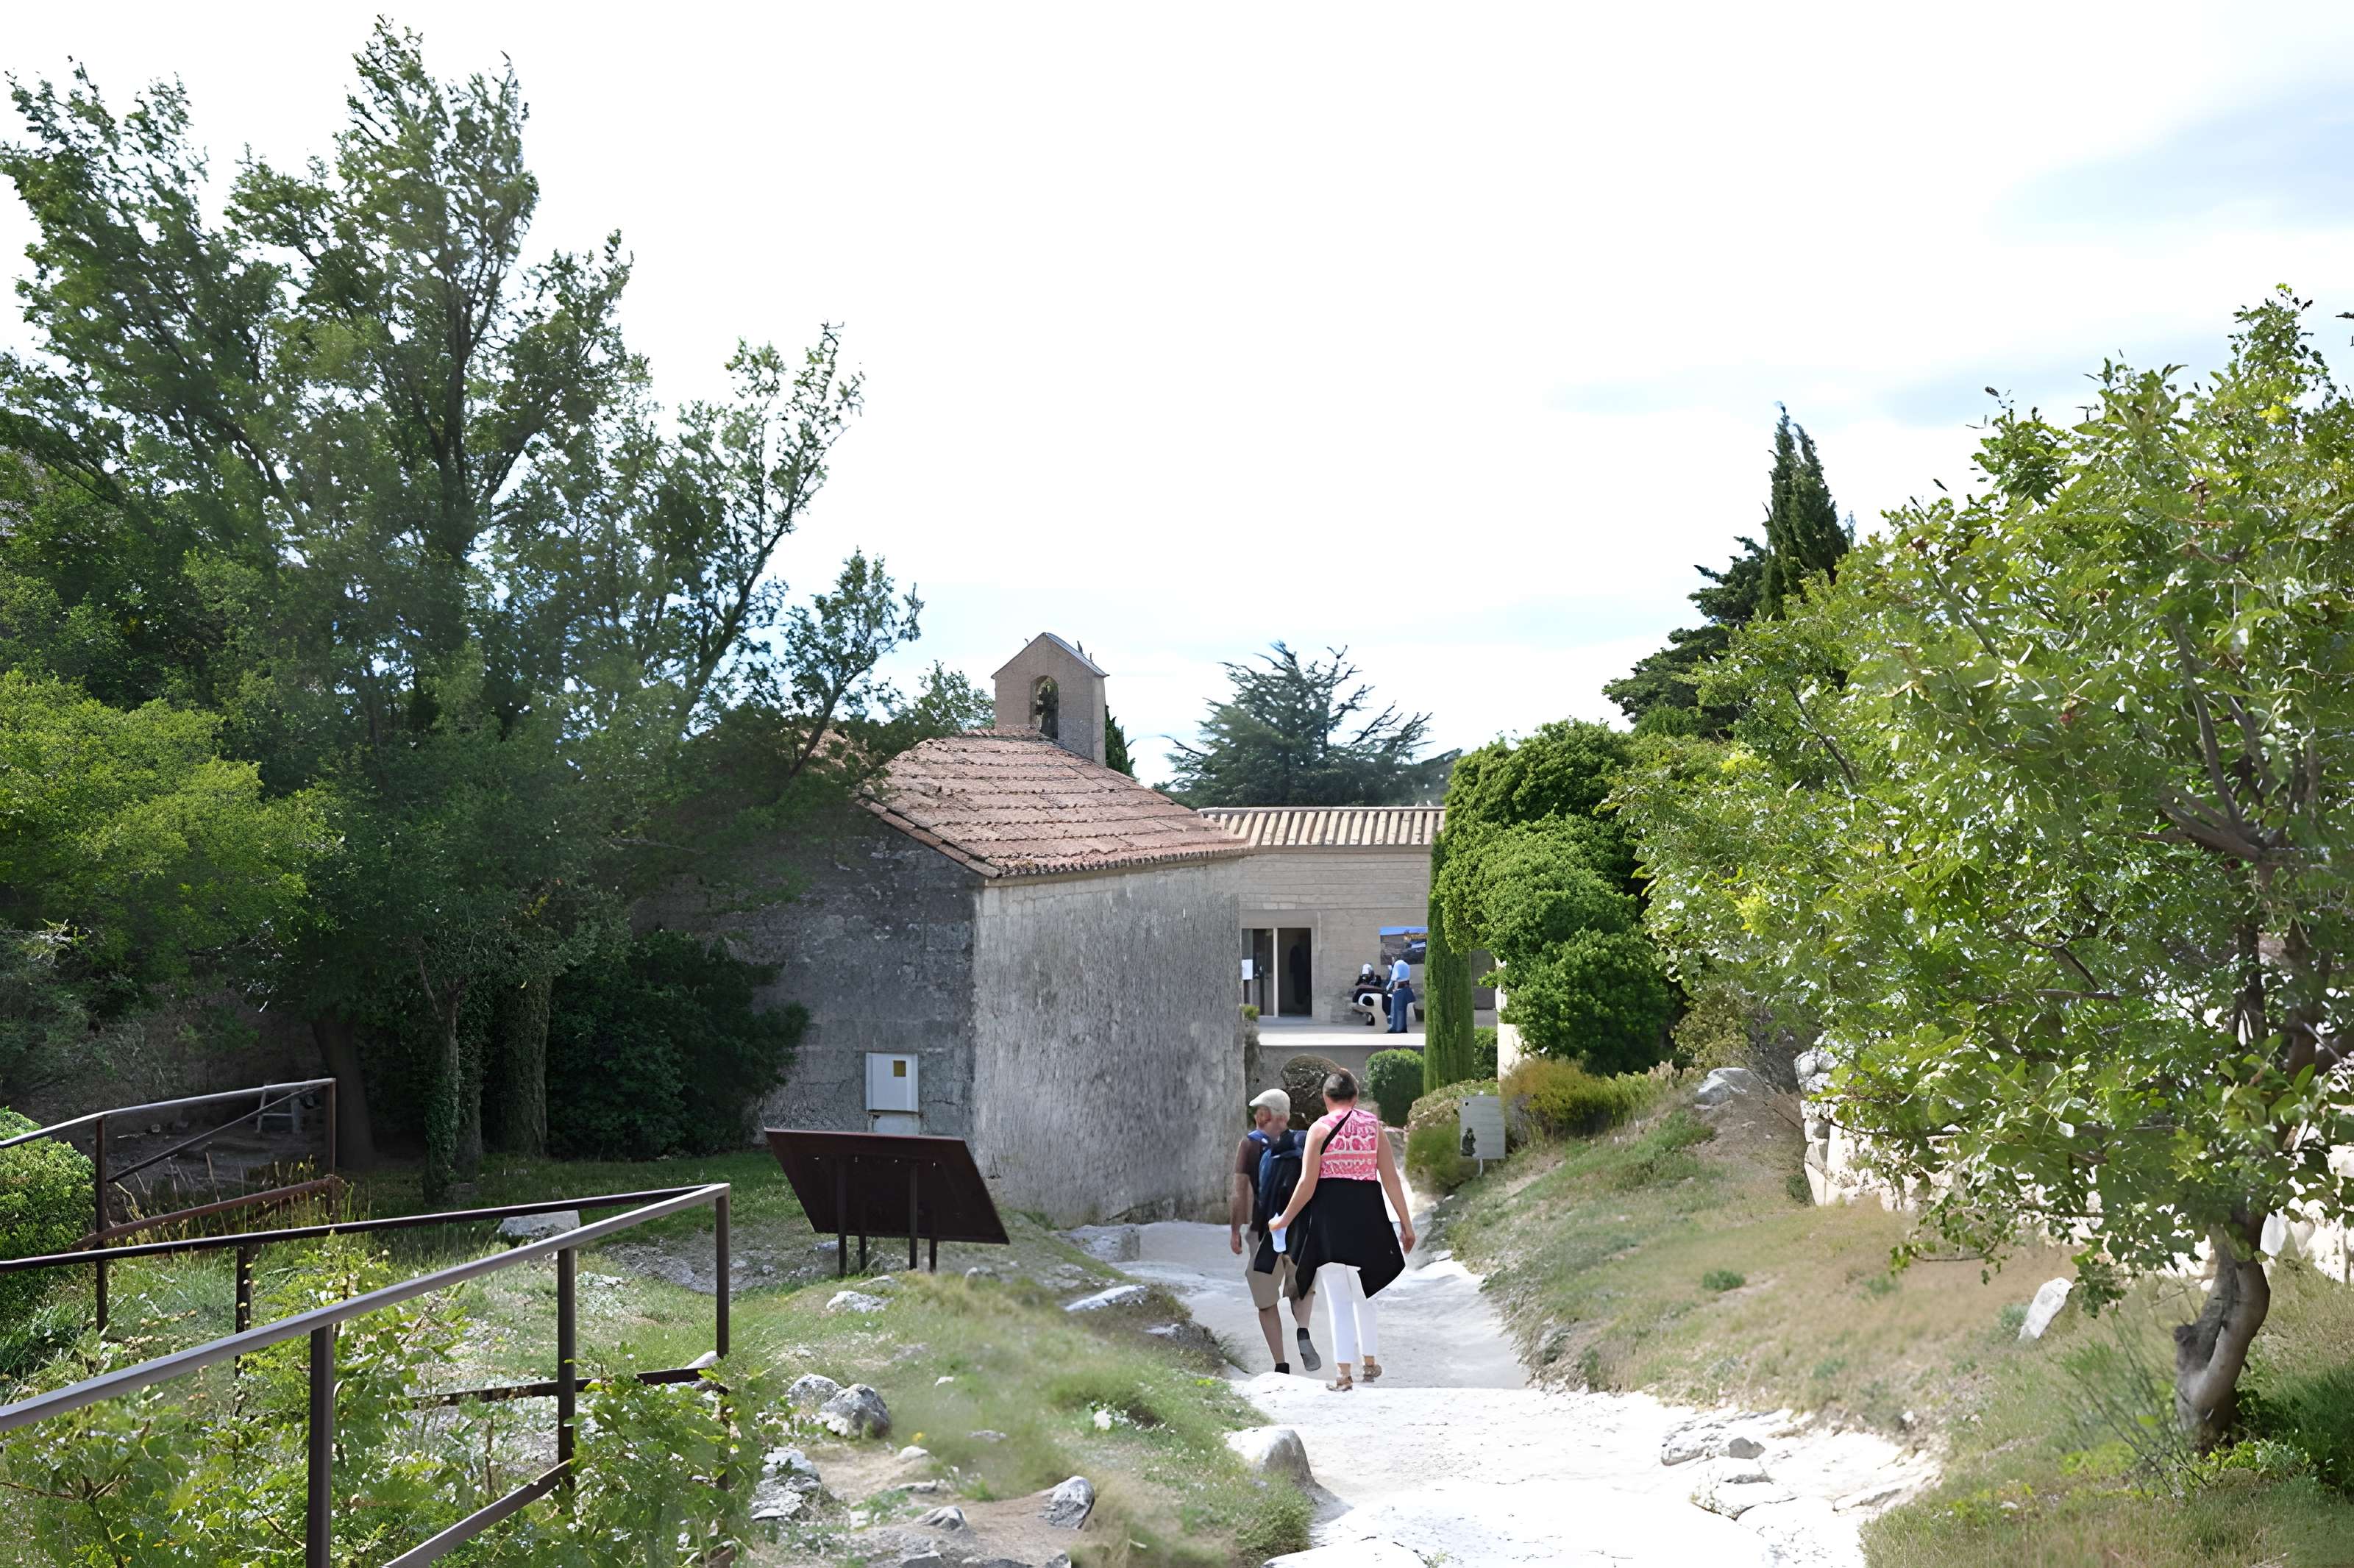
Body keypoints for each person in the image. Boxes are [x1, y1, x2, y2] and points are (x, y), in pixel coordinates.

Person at [1268, 1070, 1415, 1391]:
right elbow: (1390, 1178)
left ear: (1326, 1098)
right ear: (1356, 1097)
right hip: (1368, 1215)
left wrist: (1283, 1220)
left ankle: (1343, 1373)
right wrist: (1406, 1223)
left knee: (1337, 1296)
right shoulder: (1373, 1127)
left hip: (1330, 1219)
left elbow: (1307, 1184)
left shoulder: (1319, 1130)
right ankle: (1371, 1362)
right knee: (1365, 1291)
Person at [1231, 1088, 1320, 1373]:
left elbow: (1239, 1192)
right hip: (1302, 1231)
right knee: (1302, 1289)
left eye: (1259, 1111)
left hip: (1264, 1231)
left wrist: (1236, 1229)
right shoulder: (1304, 1141)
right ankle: (1303, 1329)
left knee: (1265, 1300)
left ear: (1266, 1115)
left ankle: (1281, 1364)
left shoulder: (1250, 1144)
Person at [1386, 949, 1415, 1033]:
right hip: (1406, 989)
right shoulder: (1406, 965)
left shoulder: (1398, 964)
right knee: (1403, 1011)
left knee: (1395, 1010)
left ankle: (1395, 1028)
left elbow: (1395, 978)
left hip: (1399, 989)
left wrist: (1389, 987)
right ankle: (1402, 1028)